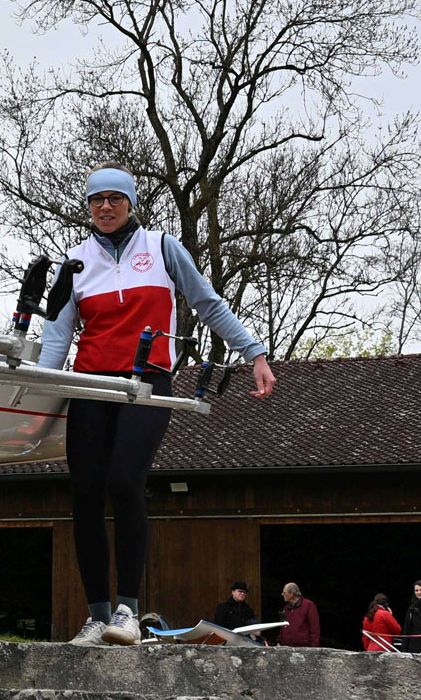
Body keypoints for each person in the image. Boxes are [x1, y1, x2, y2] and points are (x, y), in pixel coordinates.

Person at [40, 163, 276, 646]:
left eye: (115, 198)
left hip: (146, 380)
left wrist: (253, 352)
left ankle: (127, 610)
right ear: (88, 207)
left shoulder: (162, 247)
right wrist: (35, 390)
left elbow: (208, 303)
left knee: (125, 480)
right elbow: (57, 335)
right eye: (97, 200)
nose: (106, 207)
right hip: (89, 383)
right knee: (85, 494)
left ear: (131, 203)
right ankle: (97, 616)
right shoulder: (74, 262)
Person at [278, 582, 320, 648]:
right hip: (287, 648)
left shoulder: (309, 605)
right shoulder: (286, 608)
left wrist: (314, 648)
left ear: (291, 593)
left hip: (304, 648)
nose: (282, 594)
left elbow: (315, 629)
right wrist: (279, 642)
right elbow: (282, 626)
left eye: (284, 592)